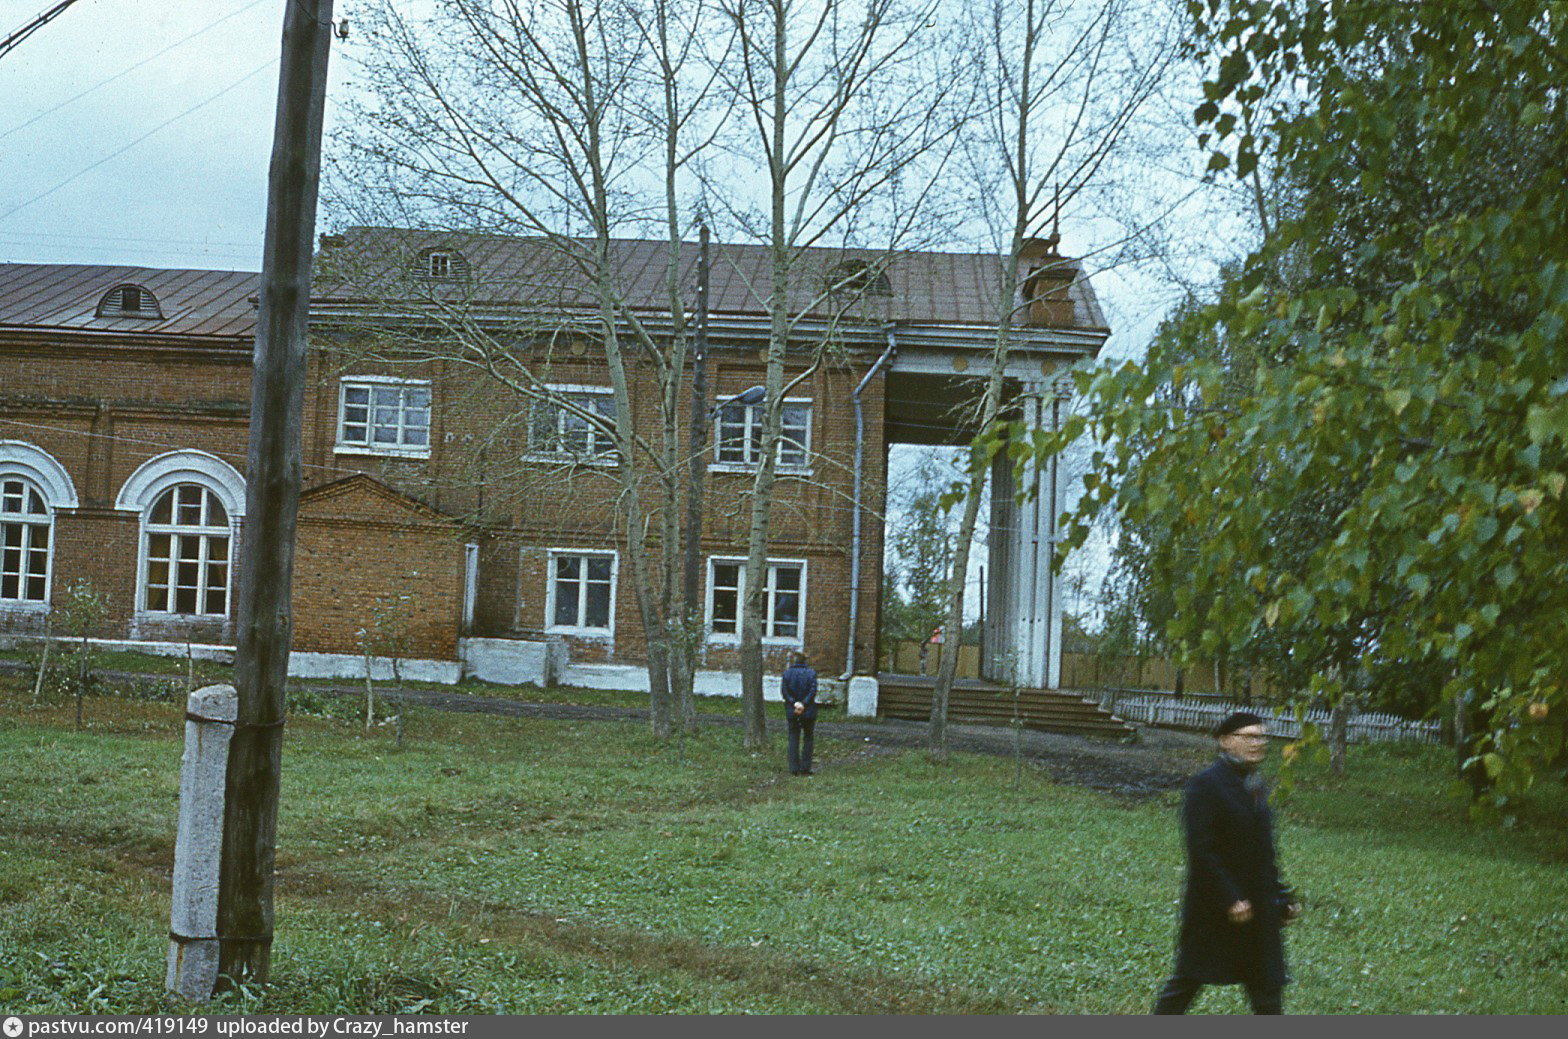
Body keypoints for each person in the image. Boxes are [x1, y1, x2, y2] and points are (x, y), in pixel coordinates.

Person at [1153, 710, 1301, 1015]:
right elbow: (1202, 850)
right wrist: (1230, 898)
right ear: (1225, 741)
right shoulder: (1205, 785)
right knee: (1187, 981)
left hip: (1257, 907)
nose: (1258, 743)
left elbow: (1263, 852)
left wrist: (1280, 897)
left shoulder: (1256, 786)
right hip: (1215, 907)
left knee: (1266, 990)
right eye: (1249, 736)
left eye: (1262, 736)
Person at [780, 651, 818, 776]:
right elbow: (812, 691)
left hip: (792, 709)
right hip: (808, 710)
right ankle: (805, 767)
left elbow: (784, 692)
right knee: (808, 738)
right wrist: (804, 704)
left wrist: (794, 703)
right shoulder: (811, 673)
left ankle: (794, 768)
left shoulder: (787, 674)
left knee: (793, 736)